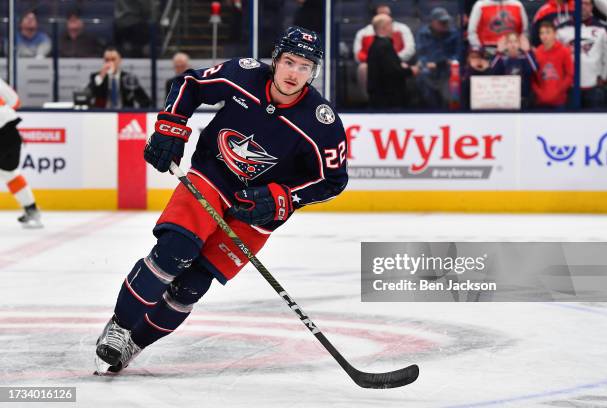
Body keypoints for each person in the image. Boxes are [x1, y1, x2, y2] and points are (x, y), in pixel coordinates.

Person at [94, 26, 348, 374]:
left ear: (314, 72)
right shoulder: (243, 74)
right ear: (275, 59)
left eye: (305, 66)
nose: (294, 73)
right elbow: (189, 84)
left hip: (256, 209)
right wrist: (171, 127)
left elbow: (332, 180)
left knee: (191, 286)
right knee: (173, 253)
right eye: (289, 61)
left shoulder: (323, 123)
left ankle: (134, 343)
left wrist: (283, 198)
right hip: (212, 177)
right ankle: (120, 327)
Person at [0, 78, 42, 228]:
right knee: (10, 174)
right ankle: (32, 210)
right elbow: (15, 102)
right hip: (11, 132)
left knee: (9, 174)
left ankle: (32, 211)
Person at [353, 3, 415, 99]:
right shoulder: (364, 32)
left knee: (400, 66)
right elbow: (358, 54)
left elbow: (409, 49)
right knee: (363, 68)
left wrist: (393, 59)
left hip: (397, 60)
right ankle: (368, 98)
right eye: (382, 14)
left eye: (387, 14)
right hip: (374, 64)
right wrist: (384, 61)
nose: (385, 16)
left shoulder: (402, 28)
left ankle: (401, 97)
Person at [557, 0, 607, 108]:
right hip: (570, 87)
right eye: (581, 3)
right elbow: (557, 56)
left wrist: (604, 77)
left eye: (587, 3)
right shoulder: (562, 28)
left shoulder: (602, 28)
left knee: (595, 122)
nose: (583, 6)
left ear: (592, 6)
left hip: (593, 86)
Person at [367, 14, 418, 108]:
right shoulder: (384, 45)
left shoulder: (376, 44)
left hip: (381, 97)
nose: (393, 28)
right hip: (387, 100)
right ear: (384, 27)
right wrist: (411, 71)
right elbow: (392, 72)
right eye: (391, 24)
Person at [415, 7, 461, 108]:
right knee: (422, 75)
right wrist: (426, 63)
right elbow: (421, 53)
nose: (445, 24)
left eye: (446, 22)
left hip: (447, 69)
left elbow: (457, 53)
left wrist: (452, 60)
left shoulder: (454, 33)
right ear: (433, 22)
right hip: (430, 69)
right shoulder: (423, 34)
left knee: (454, 78)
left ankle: (452, 111)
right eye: (441, 22)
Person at [86, 47, 152, 108]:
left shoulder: (128, 78)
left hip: (124, 116)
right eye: (107, 60)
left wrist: (136, 114)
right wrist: (101, 76)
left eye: (113, 59)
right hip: (103, 116)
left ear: (119, 60)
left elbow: (145, 101)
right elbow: (87, 96)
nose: (110, 62)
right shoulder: (96, 77)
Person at [531, 21, 574, 108]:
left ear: (555, 34)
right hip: (541, 101)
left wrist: (558, 91)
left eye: (548, 32)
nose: (544, 36)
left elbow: (570, 75)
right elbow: (532, 77)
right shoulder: (537, 52)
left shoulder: (564, 51)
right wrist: (539, 92)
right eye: (542, 33)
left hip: (559, 101)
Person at [490, 33, 538, 108]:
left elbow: (534, 69)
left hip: (524, 100)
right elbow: (492, 71)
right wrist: (498, 52)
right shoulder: (502, 58)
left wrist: (527, 51)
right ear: (506, 45)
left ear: (519, 44)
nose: (513, 44)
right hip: (506, 100)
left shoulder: (525, 57)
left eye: (515, 41)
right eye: (510, 42)